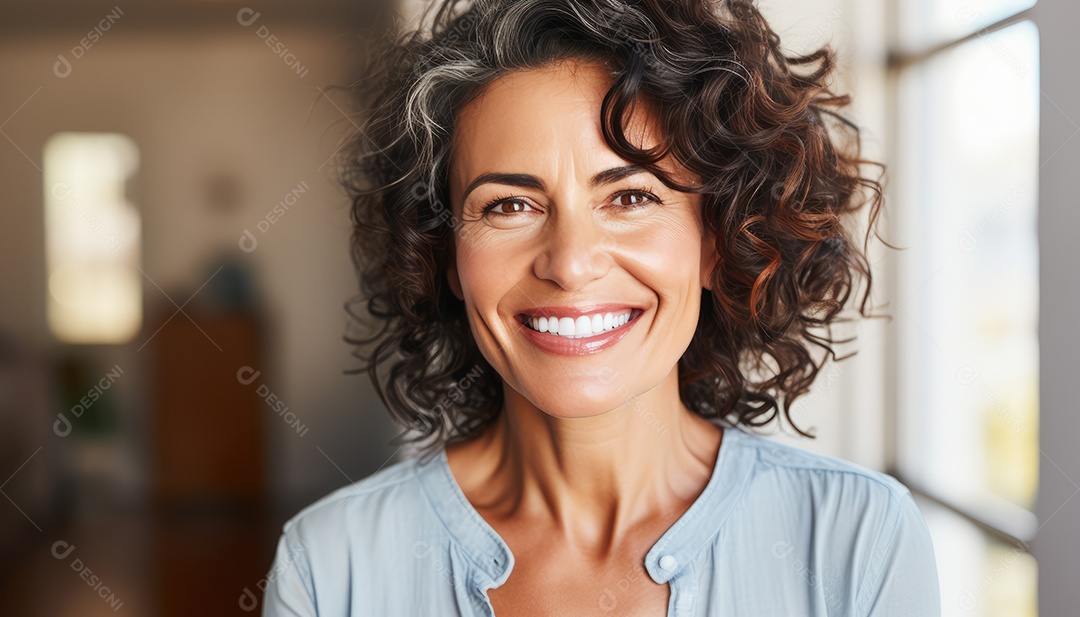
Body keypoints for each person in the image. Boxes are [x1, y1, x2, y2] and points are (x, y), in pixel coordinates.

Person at [262, 0, 941, 615]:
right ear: (446, 256)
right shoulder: (330, 567)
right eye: (509, 205)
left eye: (631, 197)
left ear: (717, 240)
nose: (570, 261)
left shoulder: (857, 536)